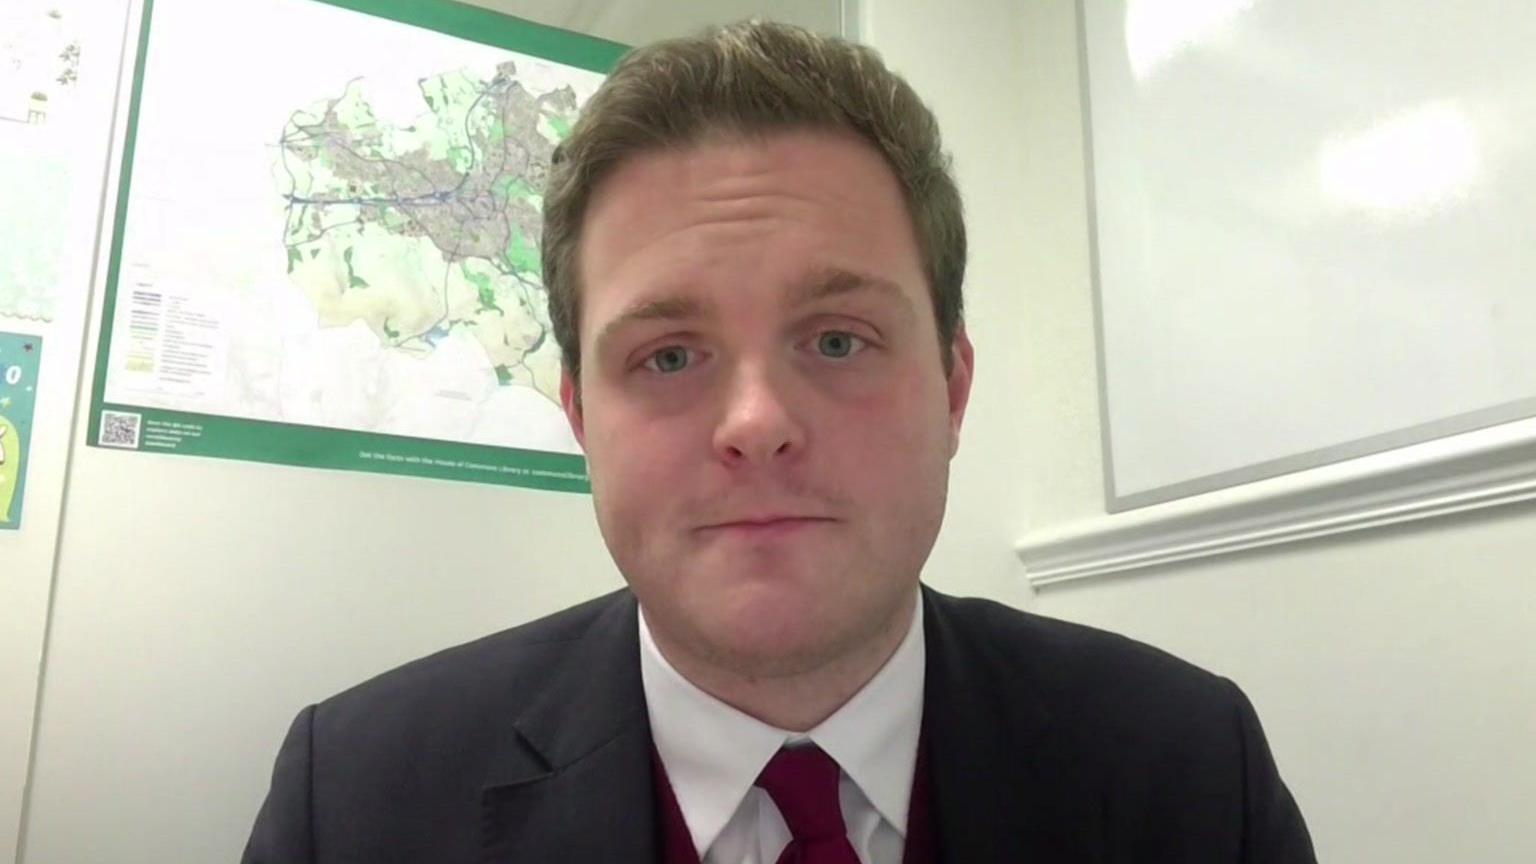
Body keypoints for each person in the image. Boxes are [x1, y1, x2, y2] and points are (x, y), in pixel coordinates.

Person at [243, 20, 1316, 864]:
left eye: (838, 339)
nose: (757, 423)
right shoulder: (354, 803)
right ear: (579, 417)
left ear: (952, 388)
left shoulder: (1186, 767)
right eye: (668, 356)